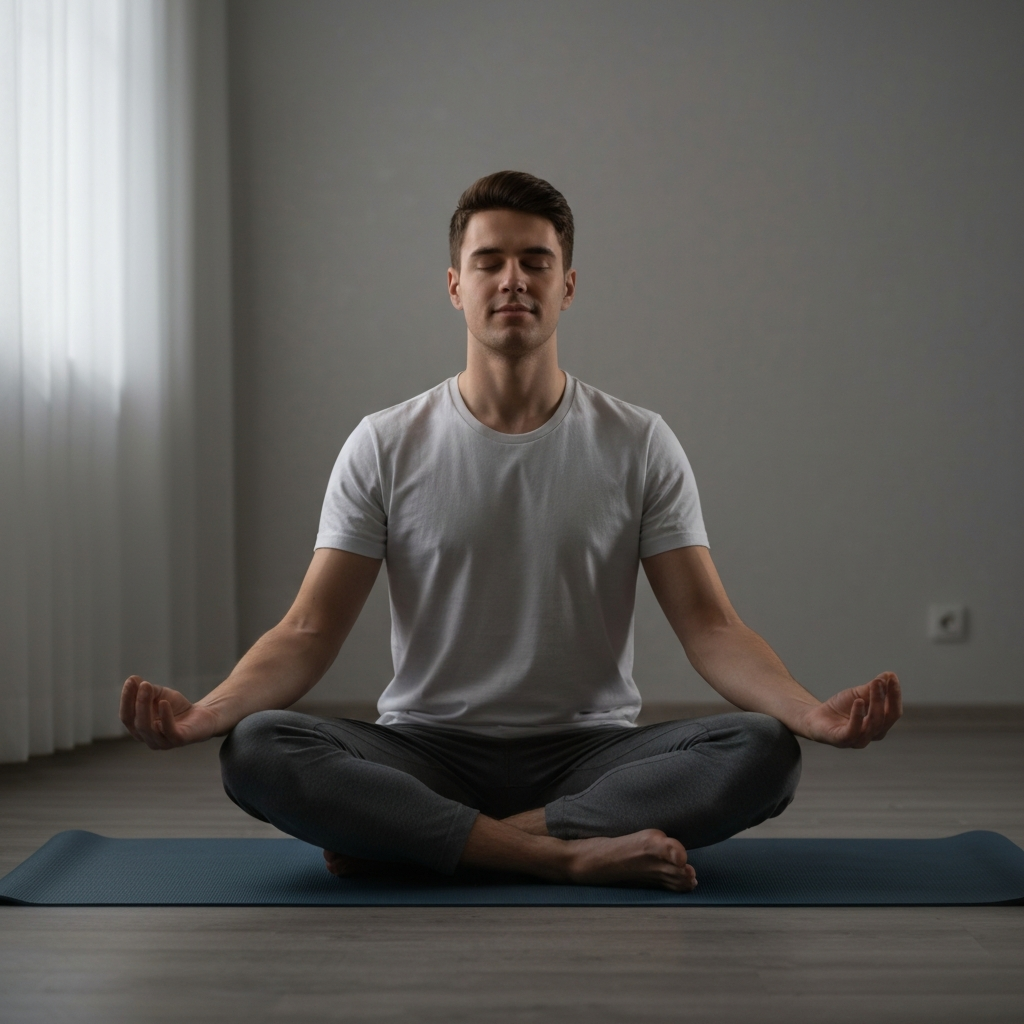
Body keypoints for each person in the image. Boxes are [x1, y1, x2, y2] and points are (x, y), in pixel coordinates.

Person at [120, 171, 902, 892]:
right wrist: (207, 714)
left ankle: (438, 842)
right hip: (425, 752)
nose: (514, 279)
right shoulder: (385, 443)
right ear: (456, 286)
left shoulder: (639, 442)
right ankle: (558, 855)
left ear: (568, 285)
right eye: (490, 261)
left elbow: (710, 626)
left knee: (763, 753)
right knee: (258, 749)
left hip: (591, 758)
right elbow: (308, 628)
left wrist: (808, 713)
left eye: (536, 260)